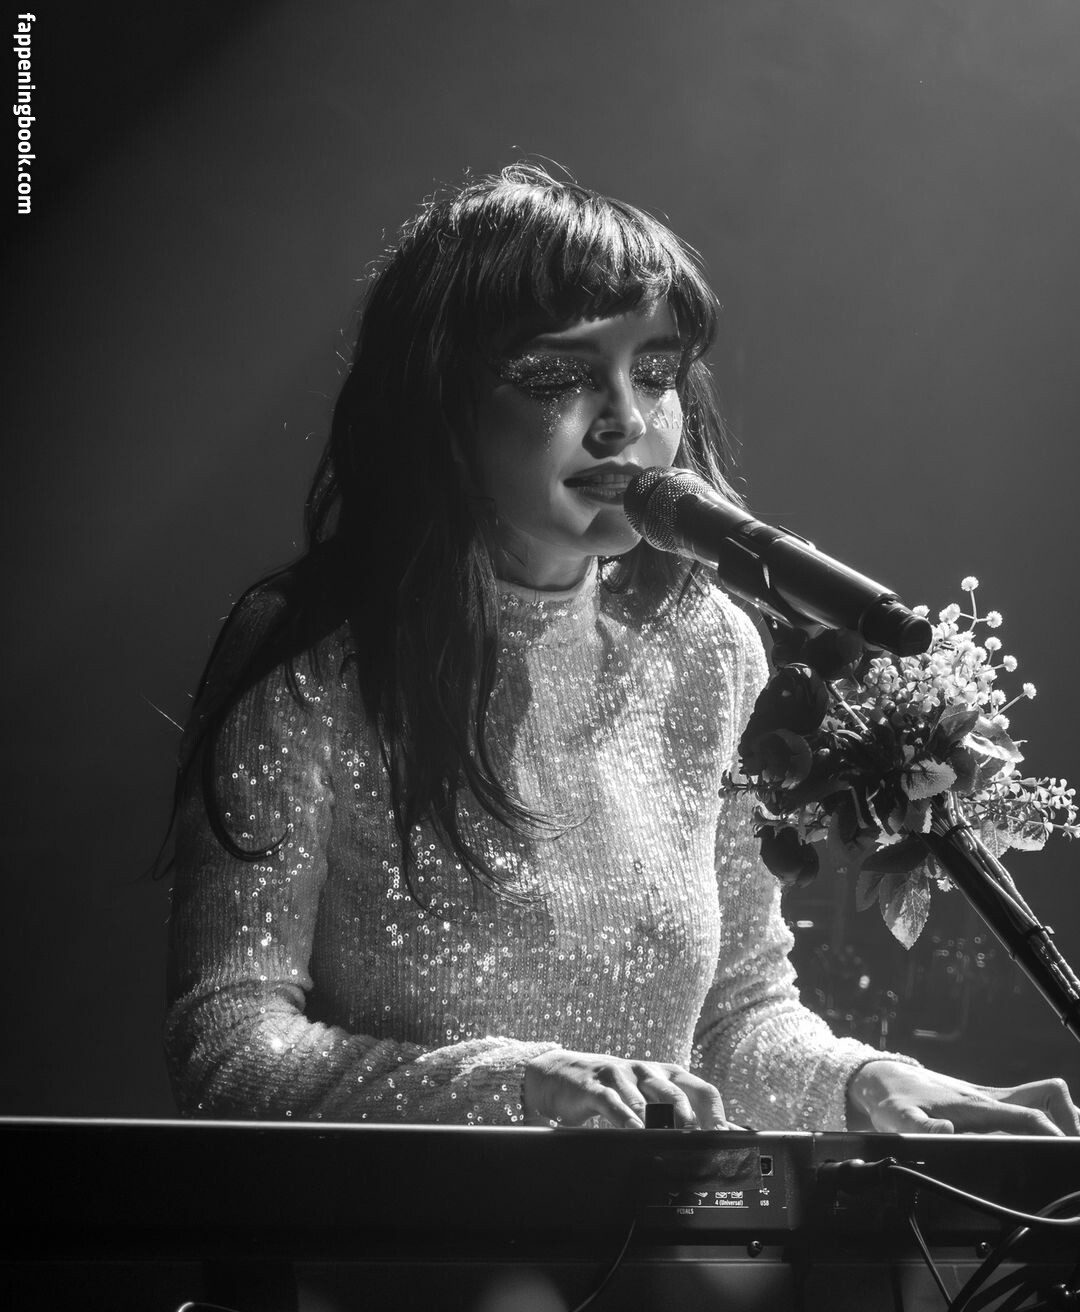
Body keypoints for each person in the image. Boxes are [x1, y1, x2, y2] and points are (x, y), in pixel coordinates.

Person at [164, 164, 1079, 1136]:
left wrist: (861, 1084)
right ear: (437, 400)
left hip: (659, 1233)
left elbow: (737, 1016)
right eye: (559, 375)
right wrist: (521, 1086)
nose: (628, 422)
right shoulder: (316, 661)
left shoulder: (709, 647)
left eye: (655, 373)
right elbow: (228, 1047)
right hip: (410, 1235)